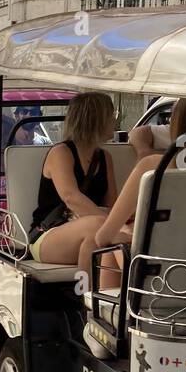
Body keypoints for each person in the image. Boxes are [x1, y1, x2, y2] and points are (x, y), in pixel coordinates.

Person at [81, 97, 186, 292]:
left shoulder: (152, 167)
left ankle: (115, 316)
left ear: (175, 125)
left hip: (161, 283)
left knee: (115, 244)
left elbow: (102, 238)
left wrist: (126, 231)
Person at [28, 91, 117, 267]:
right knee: (98, 227)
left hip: (92, 230)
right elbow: (71, 198)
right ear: (96, 119)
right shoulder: (61, 152)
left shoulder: (105, 157)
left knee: (95, 238)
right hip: (49, 233)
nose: (115, 121)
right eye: (111, 116)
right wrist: (114, 225)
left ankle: (87, 292)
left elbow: (113, 203)